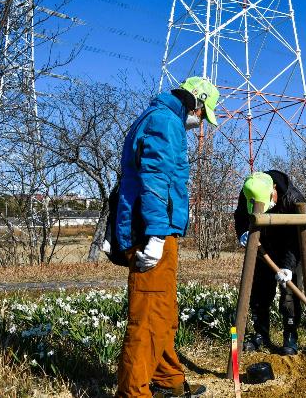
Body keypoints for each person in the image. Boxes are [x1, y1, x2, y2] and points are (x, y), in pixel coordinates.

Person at [114, 77, 219, 398]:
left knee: (163, 312)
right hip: (151, 233)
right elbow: (155, 178)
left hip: (153, 230)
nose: (199, 122)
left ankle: (168, 380)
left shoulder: (156, 118)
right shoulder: (164, 122)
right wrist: (157, 234)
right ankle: (133, 393)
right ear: (196, 104)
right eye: (203, 115)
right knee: (148, 317)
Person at [234, 170, 306, 356]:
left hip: (290, 247)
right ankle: (261, 334)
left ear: (274, 188)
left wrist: (288, 267)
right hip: (262, 247)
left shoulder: (293, 199)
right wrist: (242, 232)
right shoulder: (248, 192)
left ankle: (290, 334)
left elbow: (299, 238)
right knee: (259, 291)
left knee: (290, 292)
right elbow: (240, 217)